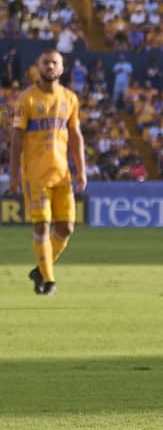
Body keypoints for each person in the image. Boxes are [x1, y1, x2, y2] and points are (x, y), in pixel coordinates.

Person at [8, 50, 87, 296]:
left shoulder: (70, 99)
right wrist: (13, 174)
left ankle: (40, 270)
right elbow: (17, 139)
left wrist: (81, 169)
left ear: (62, 68)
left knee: (66, 229)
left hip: (62, 174)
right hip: (36, 176)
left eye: (55, 63)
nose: (50, 66)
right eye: (46, 63)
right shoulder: (27, 99)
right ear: (38, 67)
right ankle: (49, 280)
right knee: (42, 225)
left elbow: (75, 136)